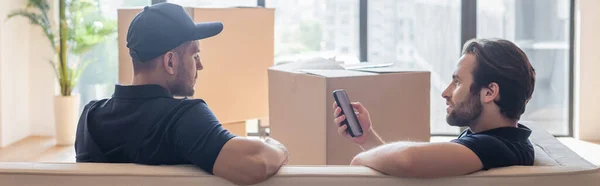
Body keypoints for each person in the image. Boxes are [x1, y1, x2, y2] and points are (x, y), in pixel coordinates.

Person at [74, 3, 288, 185]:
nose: (200, 65)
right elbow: (257, 161)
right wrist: (277, 146)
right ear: (170, 62)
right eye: (195, 55)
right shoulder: (181, 118)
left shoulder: (89, 118)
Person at [333, 38, 536, 178]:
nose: (445, 92)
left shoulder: (494, 146)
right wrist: (366, 138)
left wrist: (360, 160)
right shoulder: (507, 140)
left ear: (489, 92)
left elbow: (407, 160)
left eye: (457, 82)